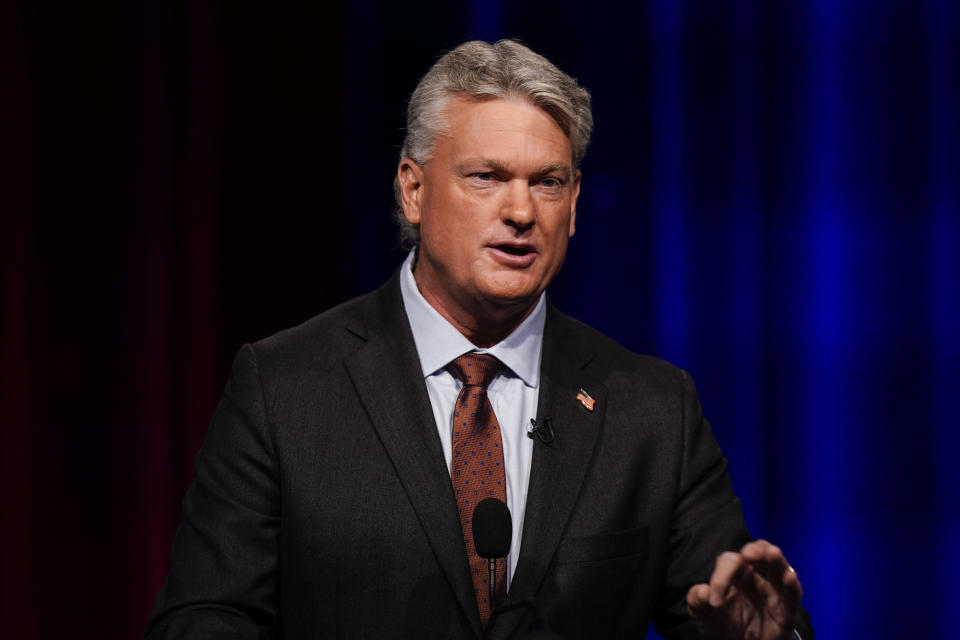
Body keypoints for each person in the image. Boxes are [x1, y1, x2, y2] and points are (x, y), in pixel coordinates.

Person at [146, 40, 812, 639]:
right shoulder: (285, 387)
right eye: (486, 176)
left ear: (575, 204)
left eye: (546, 182)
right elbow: (205, 619)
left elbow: (728, 613)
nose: (521, 212)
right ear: (412, 189)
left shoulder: (652, 409)